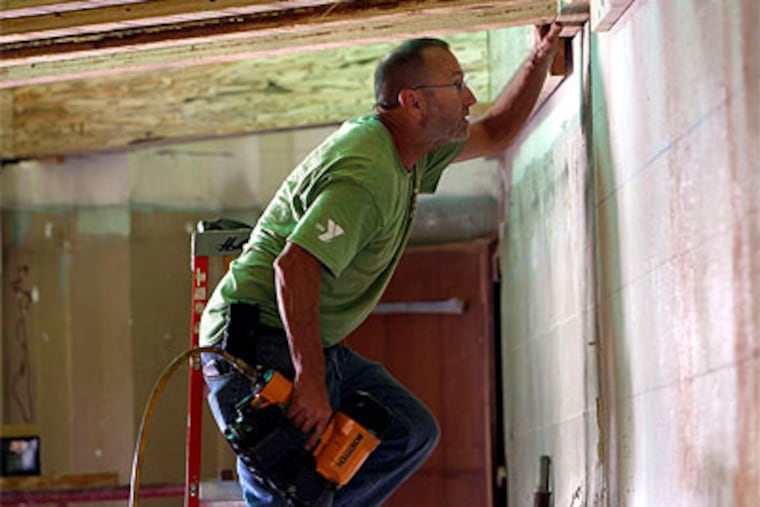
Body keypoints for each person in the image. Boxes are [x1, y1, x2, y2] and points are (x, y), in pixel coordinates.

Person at [199, 23, 563, 506]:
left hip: (295, 340)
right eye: (456, 85)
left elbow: (496, 133)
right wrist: (309, 378)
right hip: (258, 343)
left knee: (407, 429)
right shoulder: (367, 172)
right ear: (413, 103)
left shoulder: (408, 154)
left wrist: (540, 57)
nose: (470, 96)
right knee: (295, 490)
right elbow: (295, 266)